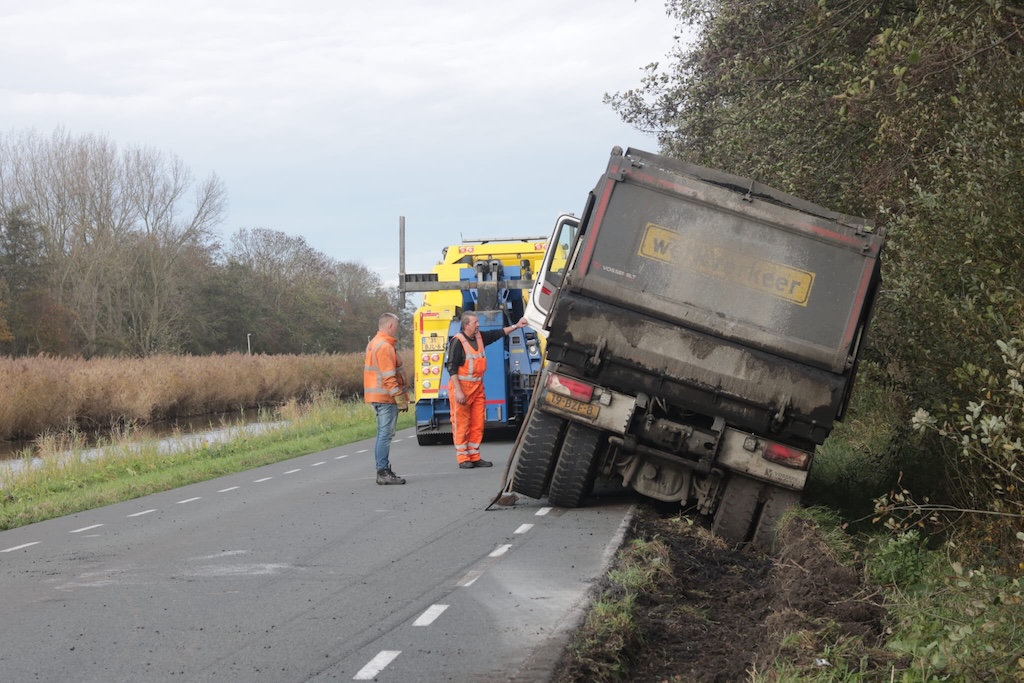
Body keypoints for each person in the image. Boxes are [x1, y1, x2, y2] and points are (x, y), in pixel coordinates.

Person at [446, 311, 529, 469]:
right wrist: (458, 391)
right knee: (461, 424)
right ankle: (463, 457)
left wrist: (516, 326)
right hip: (462, 389)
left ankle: (474, 456)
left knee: (477, 423)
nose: (478, 325)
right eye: (475, 322)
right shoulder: (458, 341)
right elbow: (452, 368)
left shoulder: (479, 338)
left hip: (477, 389)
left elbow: (497, 334)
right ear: (466, 325)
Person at [364, 312, 410, 485]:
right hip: (385, 397)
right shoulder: (384, 346)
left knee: (383, 434)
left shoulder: (374, 343)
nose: (397, 329)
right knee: (385, 435)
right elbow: (389, 376)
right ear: (390, 326)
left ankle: (383, 470)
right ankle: (383, 472)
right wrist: (399, 398)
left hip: (378, 396)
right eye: (396, 326)